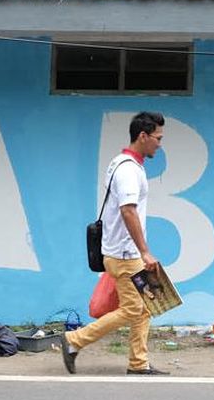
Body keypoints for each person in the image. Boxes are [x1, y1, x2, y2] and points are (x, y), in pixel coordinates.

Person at [61, 111, 170, 376]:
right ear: (143, 136)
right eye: (158, 137)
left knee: (143, 308)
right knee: (134, 309)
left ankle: (138, 363)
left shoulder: (124, 164)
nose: (160, 143)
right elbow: (128, 211)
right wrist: (144, 251)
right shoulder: (128, 170)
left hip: (122, 251)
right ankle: (74, 340)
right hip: (124, 253)